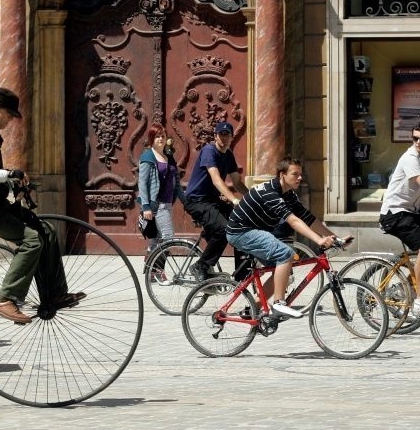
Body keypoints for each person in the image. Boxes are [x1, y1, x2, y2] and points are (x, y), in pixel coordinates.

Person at [0, 86, 84, 324]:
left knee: (45, 231)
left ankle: (55, 293)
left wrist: (11, 185)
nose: (9, 121)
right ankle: (5, 299)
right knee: (31, 240)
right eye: (8, 115)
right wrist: (8, 175)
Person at [226, 156, 348, 318]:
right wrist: (318, 240)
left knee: (284, 271)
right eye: (295, 174)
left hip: (255, 230)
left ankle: (252, 309)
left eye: (300, 174)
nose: (300, 178)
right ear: (282, 175)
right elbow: (293, 221)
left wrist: (334, 238)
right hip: (240, 232)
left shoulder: (288, 194)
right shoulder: (270, 192)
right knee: (285, 254)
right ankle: (279, 304)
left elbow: (307, 218)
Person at [183, 121, 249, 281]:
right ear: (215, 136)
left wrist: (252, 198)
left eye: (228, 135)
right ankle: (201, 266)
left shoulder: (228, 155)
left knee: (241, 222)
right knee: (223, 230)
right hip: (196, 200)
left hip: (212, 200)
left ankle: (242, 274)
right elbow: (216, 180)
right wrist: (233, 199)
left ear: (232, 137)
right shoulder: (209, 150)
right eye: (221, 135)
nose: (224, 138)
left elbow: (237, 182)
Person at [378, 122, 420, 316]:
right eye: (415, 138)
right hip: (395, 214)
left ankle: (410, 287)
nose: (417, 142)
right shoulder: (411, 157)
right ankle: (419, 299)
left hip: (410, 212)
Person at [138, 122, 185, 253]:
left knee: (157, 238)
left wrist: (185, 201)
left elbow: (176, 181)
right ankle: (157, 270)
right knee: (168, 237)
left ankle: (151, 265)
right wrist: (146, 206)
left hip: (168, 203)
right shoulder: (147, 157)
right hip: (156, 205)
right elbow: (142, 183)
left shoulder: (169, 157)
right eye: (157, 136)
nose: (160, 139)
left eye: (163, 136)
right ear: (151, 139)